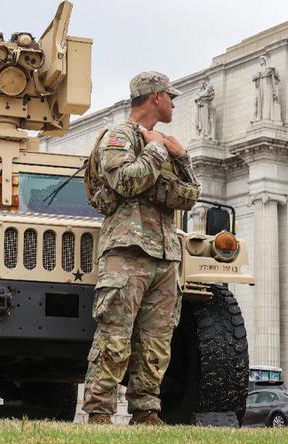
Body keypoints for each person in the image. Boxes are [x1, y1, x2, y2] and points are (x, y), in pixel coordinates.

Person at [82, 71, 200, 425]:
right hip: (127, 251)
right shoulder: (118, 137)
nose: (174, 103)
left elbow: (190, 195)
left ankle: (146, 410)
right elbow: (126, 181)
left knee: (156, 341)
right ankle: (99, 412)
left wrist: (181, 158)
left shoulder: (166, 143)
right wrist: (155, 149)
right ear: (155, 98)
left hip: (165, 254)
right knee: (114, 335)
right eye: (170, 96)